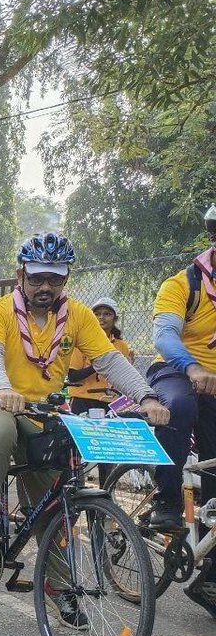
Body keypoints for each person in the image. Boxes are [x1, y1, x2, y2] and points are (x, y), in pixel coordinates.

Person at [0, 235, 168, 626]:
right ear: (20, 274)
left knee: (54, 503)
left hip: (43, 410)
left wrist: (146, 396)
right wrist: (4, 389)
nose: (45, 287)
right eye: (38, 277)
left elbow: (108, 360)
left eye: (54, 279)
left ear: (66, 278)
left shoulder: (77, 315)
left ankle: (59, 590)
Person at [147, 218, 216, 614]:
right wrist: (192, 367)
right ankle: (167, 500)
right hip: (176, 371)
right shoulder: (183, 284)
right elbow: (164, 335)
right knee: (182, 405)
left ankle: (209, 577)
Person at [67, 297, 133, 415]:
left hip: (112, 401)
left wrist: (128, 366)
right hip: (83, 399)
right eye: (97, 314)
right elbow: (72, 377)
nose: (101, 317)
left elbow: (123, 379)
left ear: (115, 319)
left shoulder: (121, 345)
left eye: (107, 314)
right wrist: (99, 365)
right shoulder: (80, 343)